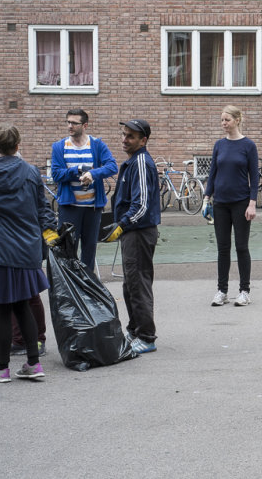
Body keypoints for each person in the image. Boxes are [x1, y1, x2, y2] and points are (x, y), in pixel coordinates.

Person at [0, 124, 58, 383]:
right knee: (23, 305)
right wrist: (50, 232)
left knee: (2, 310)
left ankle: (2, 369)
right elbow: (43, 208)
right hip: (27, 246)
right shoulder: (31, 171)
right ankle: (33, 364)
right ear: (18, 145)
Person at [100, 119, 161, 355]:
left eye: (131, 137)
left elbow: (142, 204)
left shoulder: (142, 163)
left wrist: (123, 225)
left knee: (138, 285)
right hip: (132, 233)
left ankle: (146, 337)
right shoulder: (132, 162)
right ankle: (135, 330)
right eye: (124, 135)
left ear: (143, 140)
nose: (125, 140)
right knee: (130, 285)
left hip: (139, 233)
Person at [201, 105, 259, 307]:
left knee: (242, 247)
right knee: (222, 248)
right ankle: (222, 291)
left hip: (241, 203)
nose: (223, 123)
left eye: (227, 120)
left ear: (237, 120)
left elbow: (255, 176)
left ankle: (244, 291)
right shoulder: (219, 145)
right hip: (221, 204)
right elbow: (213, 173)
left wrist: (252, 204)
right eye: (222, 120)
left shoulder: (248, 145)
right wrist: (206, 199)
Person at [51, 108, 118, 271]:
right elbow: (56, 174)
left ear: (85, 125)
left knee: (89, 249)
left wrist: (93, 174)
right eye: (68, 122)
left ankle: (87, 286)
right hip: (69, 207)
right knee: (68, 250)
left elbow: (112, 166)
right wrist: (79, 170)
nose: (70, 126)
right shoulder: (60, 147)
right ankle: (71, 288)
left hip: (92, 208)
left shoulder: (97, 145)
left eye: (74, 123)